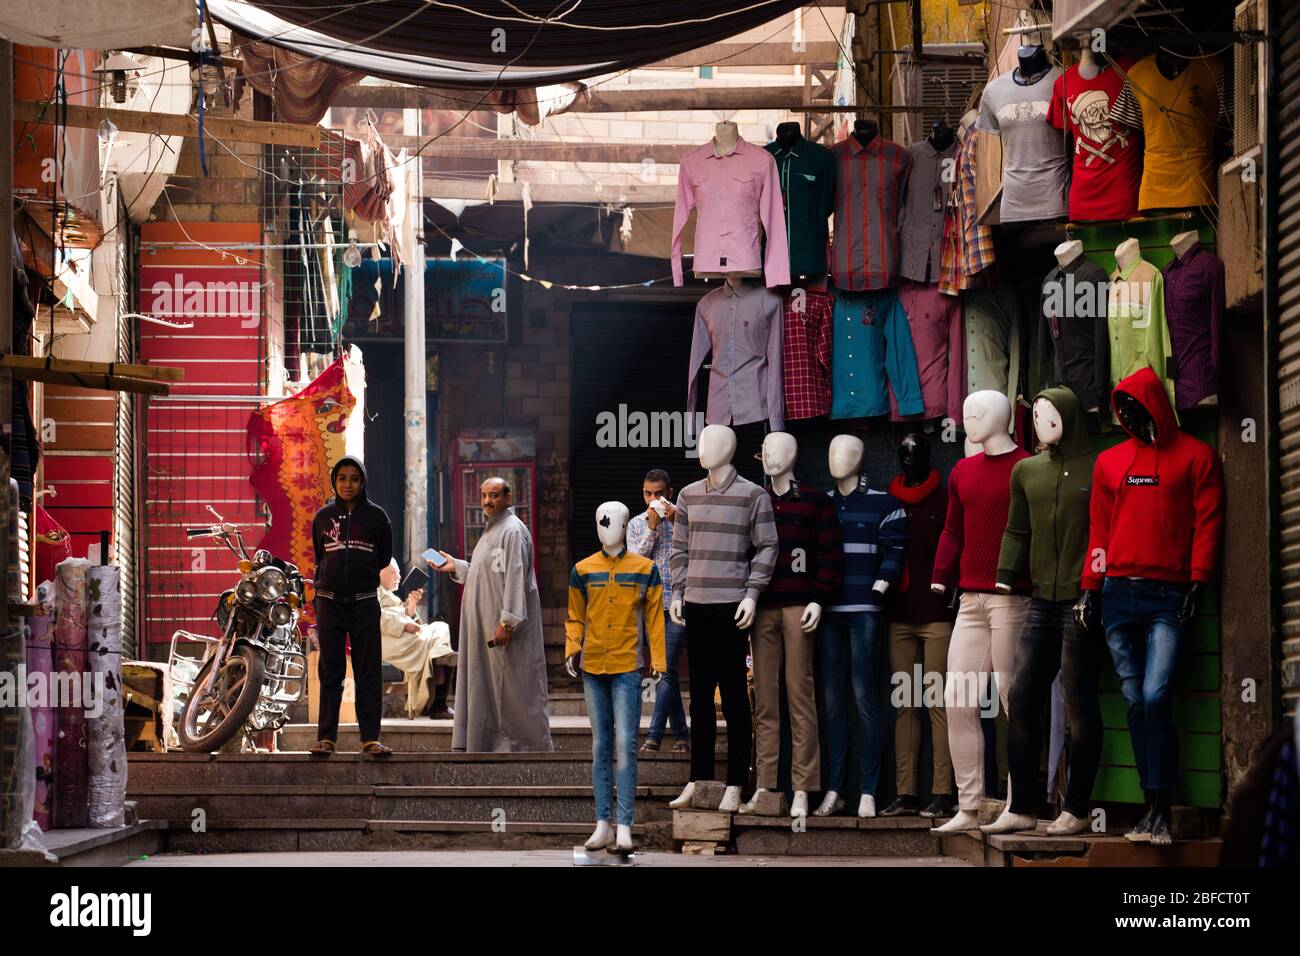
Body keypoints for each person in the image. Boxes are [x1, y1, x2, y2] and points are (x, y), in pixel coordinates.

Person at [429, 477, 554, 752]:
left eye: (494, 495)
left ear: (509, 498)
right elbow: (486, 572)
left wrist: (507, 622)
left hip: (503, 630)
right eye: (484, 495)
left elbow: (516, 578)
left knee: (511, 690)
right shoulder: (491, 530)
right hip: (485, 626)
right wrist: (457, 566)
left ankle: (524, 748)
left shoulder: (512, 531)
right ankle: (489, 744)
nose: (487, 501)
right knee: (487, 686)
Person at [309, 456, 394, 757]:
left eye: (354, 478)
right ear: (334, 481)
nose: (348, 484)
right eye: (342, 478)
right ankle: (326, 739)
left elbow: (383, 558)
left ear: (363, 482)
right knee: (330, 671)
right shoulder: (322, 517)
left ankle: (370, 738)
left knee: (368, 671)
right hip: (329, 602)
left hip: (365, 603)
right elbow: (321, 556)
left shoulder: (378, 517)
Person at [627, 467, 689, 753]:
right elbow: (636, 565)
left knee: (667, 669)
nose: (653, 499)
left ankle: (653, 736)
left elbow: (697, 551)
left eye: (659, 494)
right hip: (651, 608)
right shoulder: (637, 524)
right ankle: (681, 736)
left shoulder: (685, 520)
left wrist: (676, 520)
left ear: (670, 494)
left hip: (679, 604)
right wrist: (652, 528)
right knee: (669, 671)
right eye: (648, 494)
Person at [378, 559, 457, 720]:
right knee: (438, 635)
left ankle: (437, 704)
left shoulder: (388, 594)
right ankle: (438, 705)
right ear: (380, 573)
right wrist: (404, 624)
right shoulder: (373, 590)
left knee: (438, 633)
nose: (398, 577)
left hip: (401, 638)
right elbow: (375, 615)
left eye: (399, 572)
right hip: (390, 642)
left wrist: (411, 607)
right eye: (394, 573)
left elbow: (402, 615)